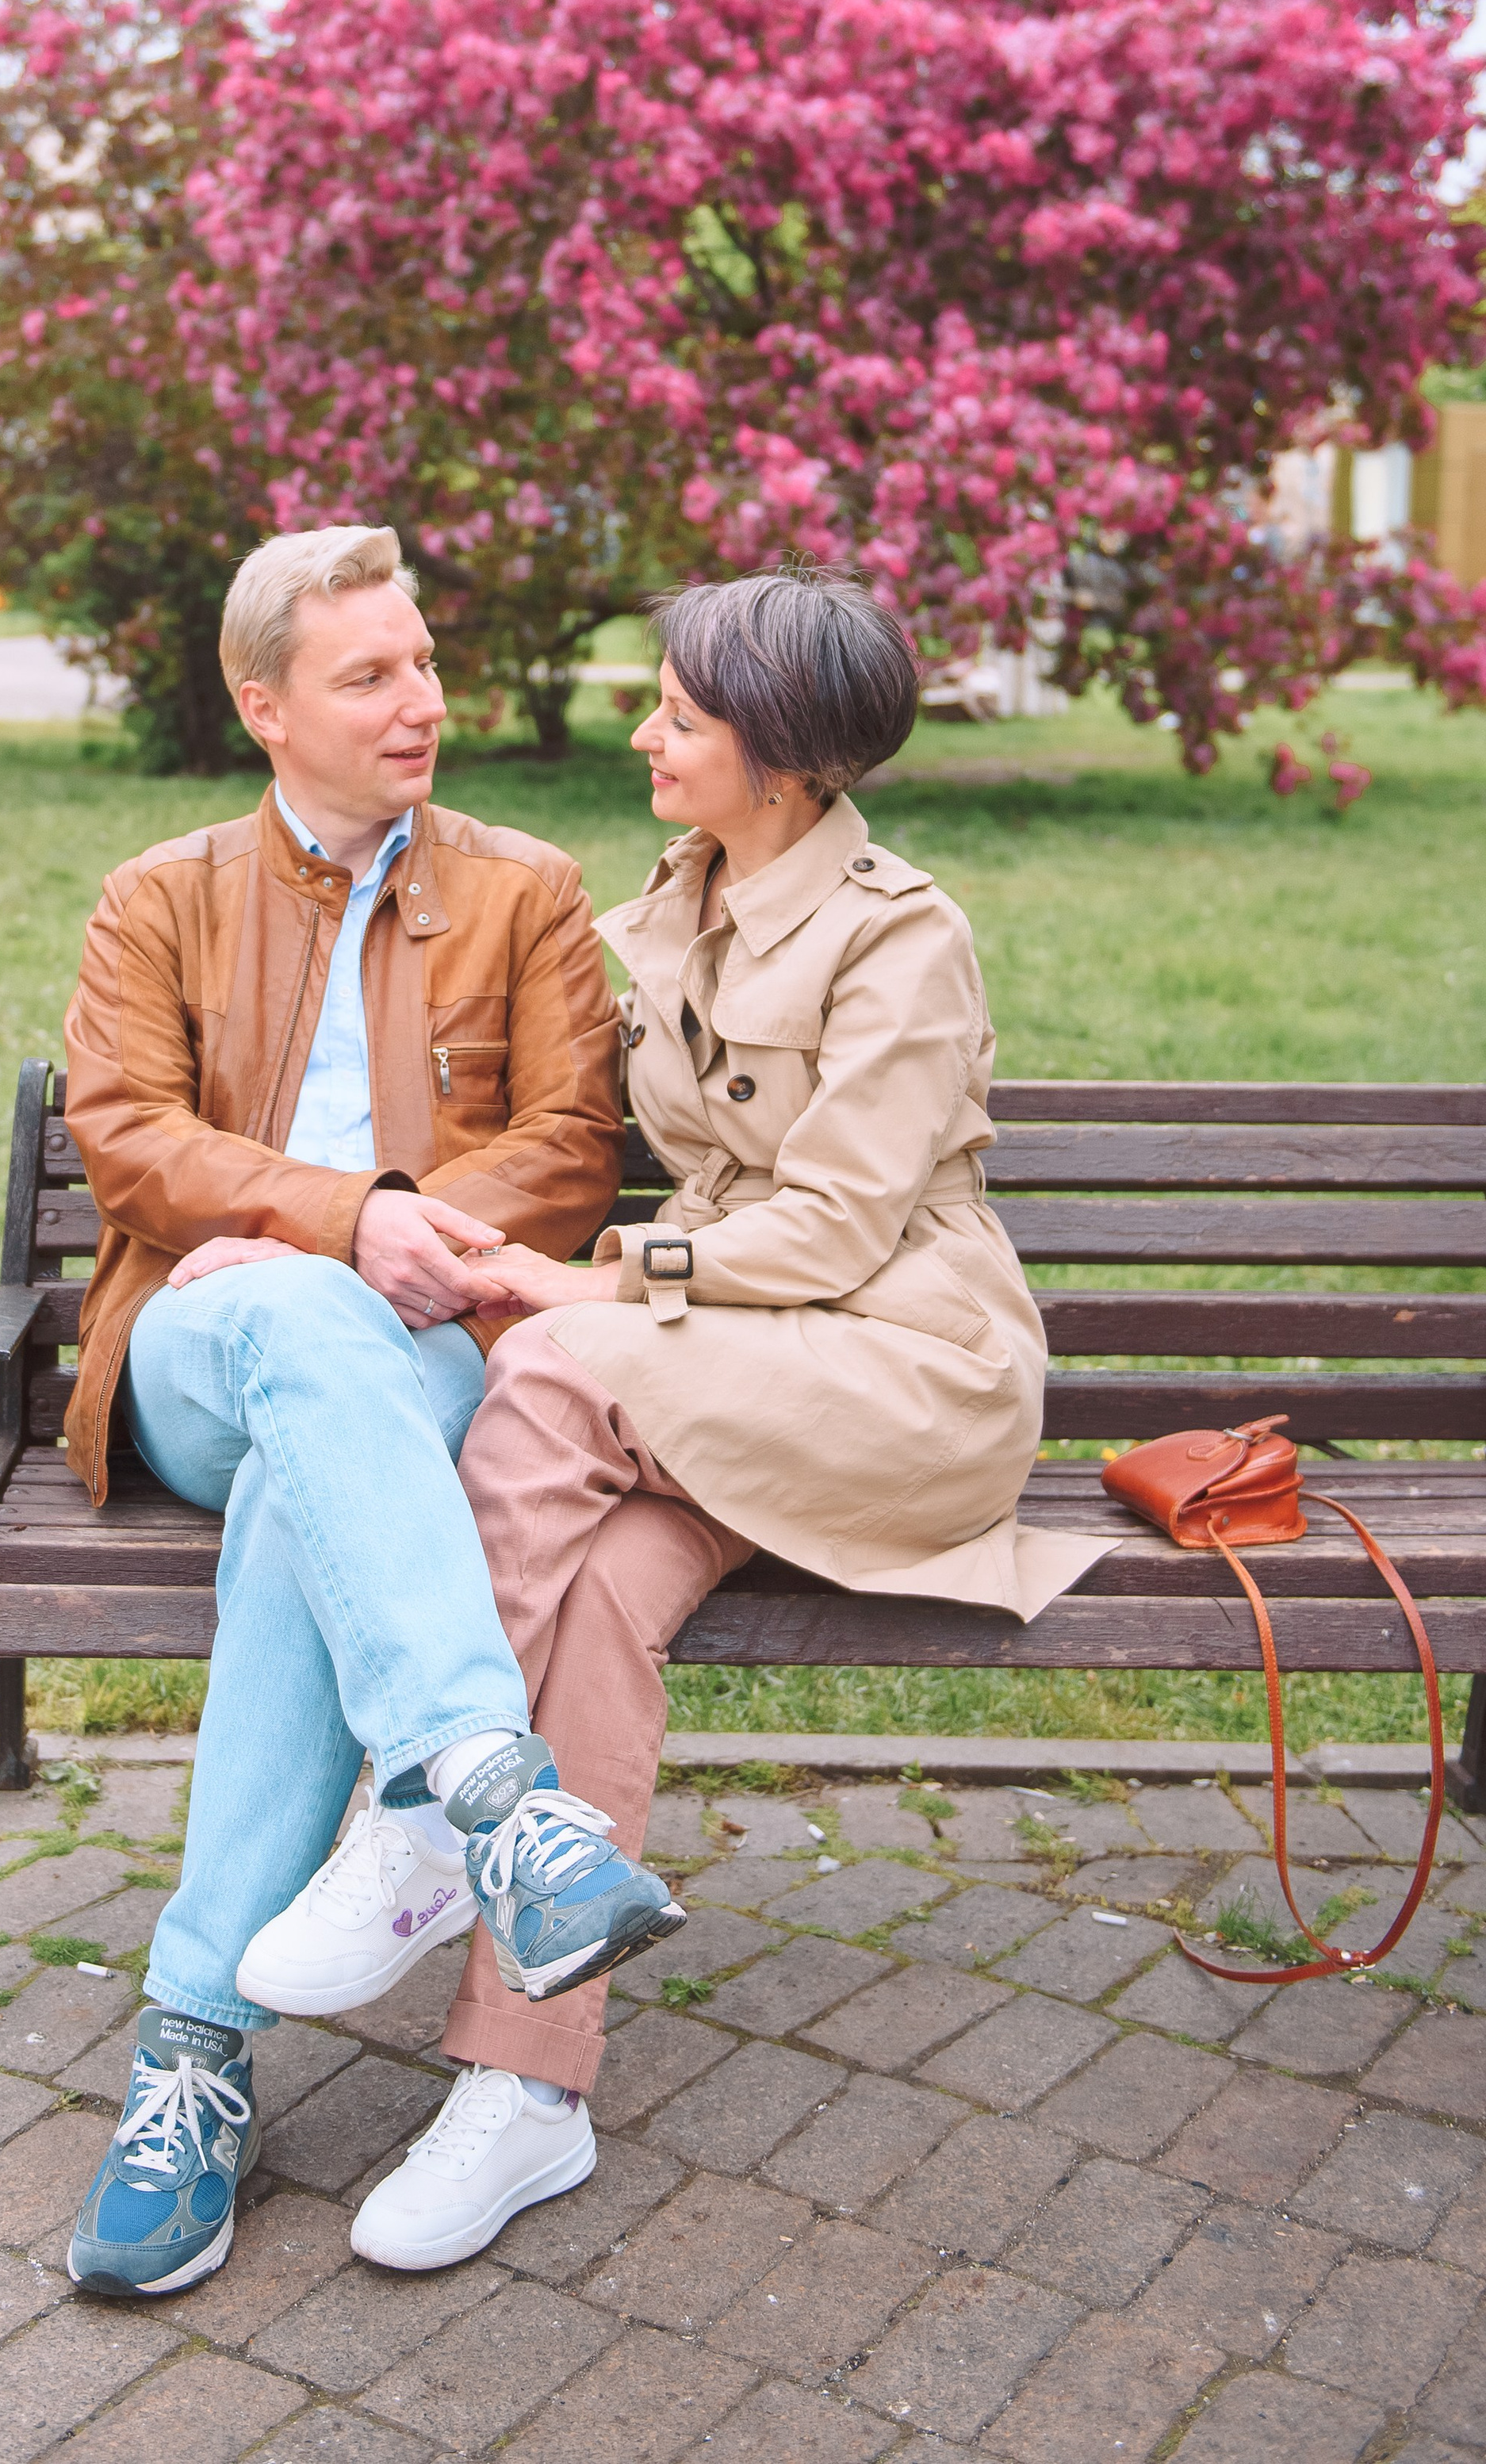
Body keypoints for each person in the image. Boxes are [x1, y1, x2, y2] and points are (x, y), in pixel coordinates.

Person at [281, 568, 1117, 2273]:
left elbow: (828, 1231)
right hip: (739, 1384)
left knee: (550, 1367)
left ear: (783, 759)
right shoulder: (679, 893)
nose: (641, 729)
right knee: (591, 1603)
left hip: (896, 1375)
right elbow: (550, 1088)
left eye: (677, 712)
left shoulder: (899, 935)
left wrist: (589, 1282)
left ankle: (430, 1816)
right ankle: (527, 2090)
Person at [58, 524, 680, 2301]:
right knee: (297, 1331)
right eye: (370, 674)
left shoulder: (523, 890)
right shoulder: (158, 894)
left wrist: (400, 1250)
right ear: (266, 707)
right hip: (196, 1343)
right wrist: (336, 1223)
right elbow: (126, 1135)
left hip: (420, 1346)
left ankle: (190, 2042)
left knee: (305, 1482)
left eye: (420, 661)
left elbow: (569, 1141)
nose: (421, 699)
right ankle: (496, 1794)